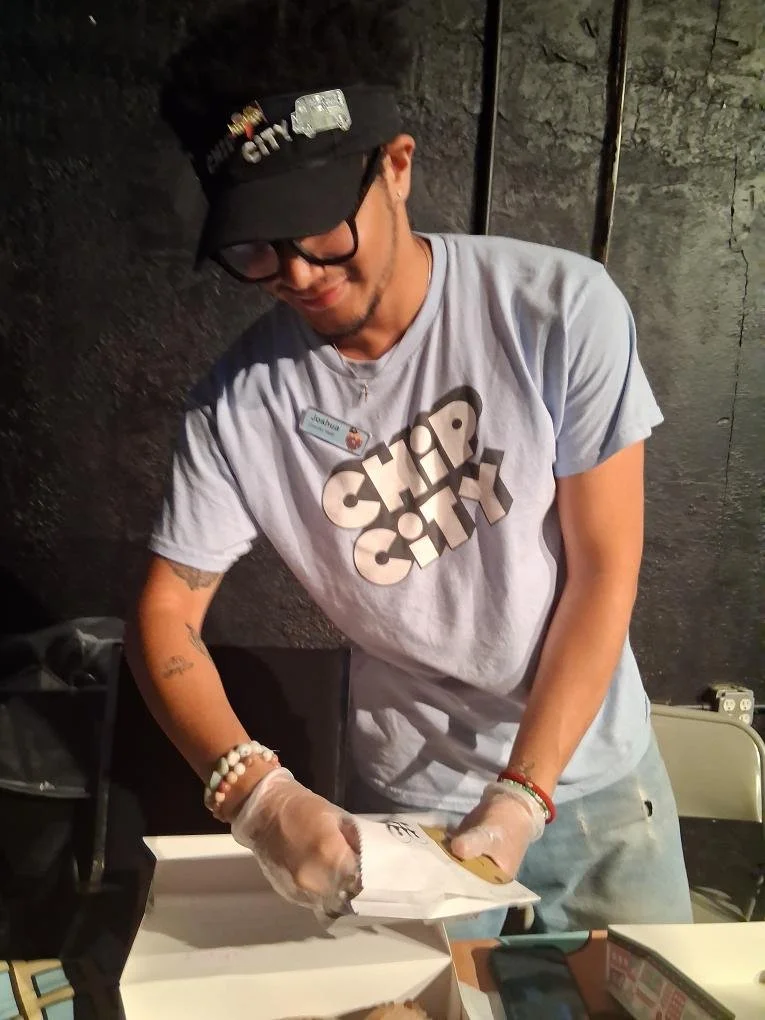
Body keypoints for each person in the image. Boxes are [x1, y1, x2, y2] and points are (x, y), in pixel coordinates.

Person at [126, 0, 693, 935]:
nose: (297, 273)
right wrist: (255, 794)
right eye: (254, 248)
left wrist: (524, 793)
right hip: (403, 809)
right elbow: (164, 611)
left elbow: (603, 571)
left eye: (320, 231)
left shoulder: (557, 311)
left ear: (395, 166)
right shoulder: (239, 403)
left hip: (594, 779)